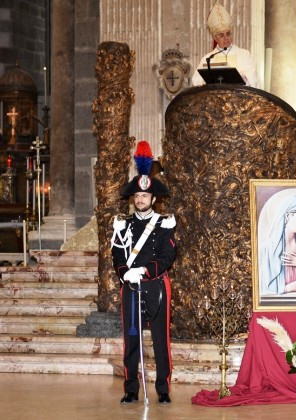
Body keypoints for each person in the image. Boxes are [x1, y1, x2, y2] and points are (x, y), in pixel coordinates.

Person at [111, 141, 177, 405]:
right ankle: (130, 389)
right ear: (133, 199)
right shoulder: (122, 225)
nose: (140, 200)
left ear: (153, 199)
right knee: (131, 339)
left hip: (156, 287)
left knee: (161, 341)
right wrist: (126, 272)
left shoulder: (164, 224)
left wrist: (144, 270)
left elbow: (168, 256)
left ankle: (163, 389)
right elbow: (116, 253)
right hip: (131, 287)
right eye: (136, 196)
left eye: (145, 197)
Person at [191, 1, 259, 88]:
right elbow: (196, 81)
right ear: (215, 38)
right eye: (221, 35)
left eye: (228, 34)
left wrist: (243, 77)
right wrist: (207, 80)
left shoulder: (244, 55)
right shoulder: (207, 59)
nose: (226, 38)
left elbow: (254, 80)